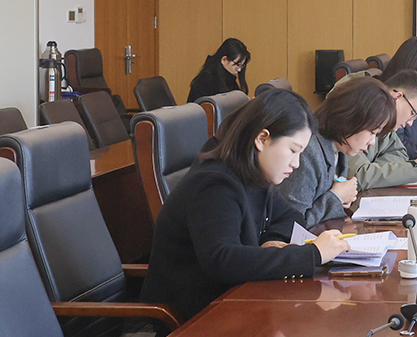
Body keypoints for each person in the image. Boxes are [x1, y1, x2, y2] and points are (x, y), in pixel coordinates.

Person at [142, 90, 348, 322]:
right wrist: (313, 254)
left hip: (232, 302)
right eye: (293, 150)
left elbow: (290, 216)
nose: (296, 163)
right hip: (191, 320)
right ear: (262, 139)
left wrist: (271, 241)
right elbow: (223, 260)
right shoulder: (215, 183)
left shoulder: (252, 172)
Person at [277, 76, 396, 228]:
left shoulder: (339, 147)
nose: (372, 141)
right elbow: (293, 225)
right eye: (372, 132)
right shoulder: (308, 152)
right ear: (351, 118)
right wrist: (337, 197)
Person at [187, 38, 251, 103]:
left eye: (241, 66)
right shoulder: (206, 80)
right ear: (224, 60)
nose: (239, 70)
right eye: (237, 65)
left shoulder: (230, 80)